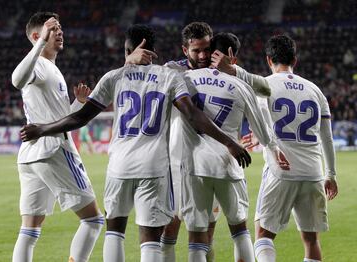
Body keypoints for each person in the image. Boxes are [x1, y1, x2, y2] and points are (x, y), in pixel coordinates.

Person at [20, 24, 251, 262]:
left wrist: (42, 129)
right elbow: (193, 114)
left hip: (119, 166)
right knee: (151, 238)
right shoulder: (169, 76)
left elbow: (80, 117)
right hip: (154, 167)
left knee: (114, 231)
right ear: (152, 49)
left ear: (129, 50)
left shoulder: (114, 76)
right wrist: (229, 142)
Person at [126, 22, 271, 262]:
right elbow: (140, 85)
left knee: (205, 231)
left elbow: (266, 88)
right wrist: (130, 61)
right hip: (175, 163)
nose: (203, 55)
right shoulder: (172, 70)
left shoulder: (227, 71)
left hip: (202, 163)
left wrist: (235, 71)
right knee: (170, 229)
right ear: (185, 50)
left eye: (207, 48)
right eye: (196, 51)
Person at [179, 33, 289, 262]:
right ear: (232, 56)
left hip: (192, 166)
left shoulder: (186, 78)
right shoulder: (241, 85)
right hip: (228, 164)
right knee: (239, 230)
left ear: (211, 52)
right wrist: (274, 149)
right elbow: (261, 128)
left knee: (197, 237)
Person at [11, 12, 103, 262]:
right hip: (54, 151)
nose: (60, 32)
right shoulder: (39, 65)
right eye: (53, 28)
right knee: (94, 220)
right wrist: (40, 43)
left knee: (30, 229)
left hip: (32, 155)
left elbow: (60, 118)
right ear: (36, 36)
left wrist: (77, 104)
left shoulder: (50, 68)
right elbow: (16, 80)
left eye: (60, 27)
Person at [249, 35, 338, 262]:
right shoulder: (315, 90)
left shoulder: (265, 84)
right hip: (313, 173)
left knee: (263, 236)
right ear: (295, 60)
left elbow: (262, 120)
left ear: (269, 60)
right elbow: (327, 137)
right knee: (311, 241)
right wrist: (331, 174)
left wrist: (261, 139)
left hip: (282, 170)